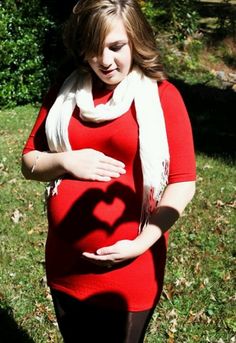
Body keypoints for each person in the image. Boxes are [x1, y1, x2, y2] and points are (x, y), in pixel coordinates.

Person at [21, 0, 196, 342]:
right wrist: (65, 161)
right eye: (93, 49)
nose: (104, 60)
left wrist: (140, 244)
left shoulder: (162, 96)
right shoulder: (65, 92)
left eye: (116, 47)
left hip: (131, 266)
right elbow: (29, 161)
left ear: (135, 40)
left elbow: (182, 182)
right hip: (65, 263)